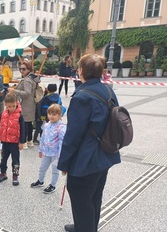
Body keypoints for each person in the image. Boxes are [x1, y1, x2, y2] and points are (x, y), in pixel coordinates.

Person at [57, 54, 121, 232]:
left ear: (82, 71)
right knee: (94, 195)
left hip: (87, 158)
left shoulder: (82, 97)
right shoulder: (108, 90)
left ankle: (85, 227)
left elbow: (73, 135)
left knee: (80, 196)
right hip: (105, 153)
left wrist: (64, 163)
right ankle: (85, 226)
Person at [30, 104, 66, 193]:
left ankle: (52, 185)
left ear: (59, 115)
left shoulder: (61, 127)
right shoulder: (46, 125)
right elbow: (43, 138)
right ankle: (40, 180)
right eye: (49, 114)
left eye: (54, 114)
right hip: (46, 152)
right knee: (42, 168)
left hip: (56, 154)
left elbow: (62, 142)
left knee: (55, 171)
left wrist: (60, 155)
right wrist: (40, 150)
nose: (51, 116)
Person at [0, 92, 25, 186]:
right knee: (3, 159)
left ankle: (15, 175)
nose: (11, 108)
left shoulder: (19, 116)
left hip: (15, 143)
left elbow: (23, 129)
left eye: (13, 106)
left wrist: (21, 142)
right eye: (9, 106)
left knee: (15, 161)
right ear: (5, 105)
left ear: (16, 103)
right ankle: (3, 173)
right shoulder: (3, 114)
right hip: (5, 142)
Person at [8, 60, 39, 149]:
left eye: (24, 69)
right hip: (31, 103)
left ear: (29, 69)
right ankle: (30, 141)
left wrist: (15, 91)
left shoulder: (27, 80)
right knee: (29, 123)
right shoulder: (32, 78)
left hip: (26, 104)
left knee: (24, 123)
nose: (21, 70)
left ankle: (24, 141)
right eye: (20, 68)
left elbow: (27, 93)